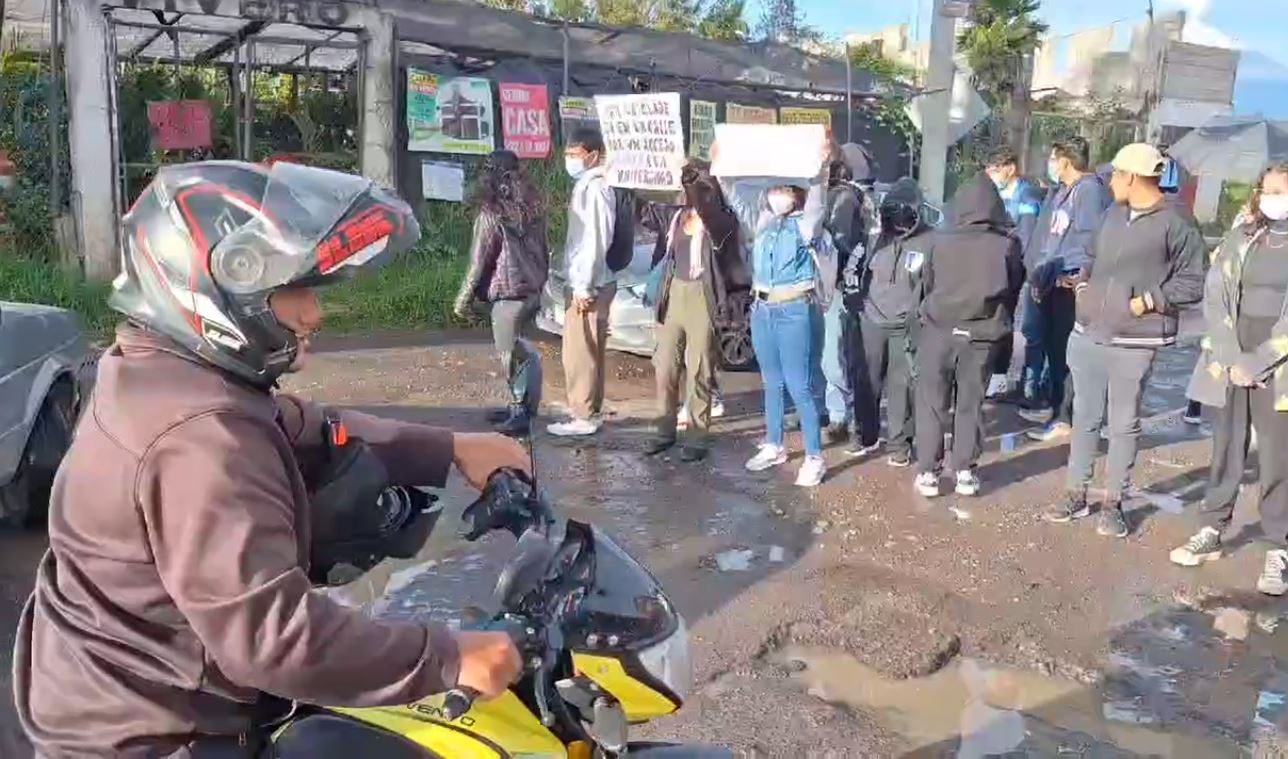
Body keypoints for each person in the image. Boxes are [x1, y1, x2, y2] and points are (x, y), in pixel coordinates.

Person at [12, 162, 526, 757]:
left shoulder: (158, 368)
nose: (314, 313)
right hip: (153, 735)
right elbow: (273, 639)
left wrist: (451, 448)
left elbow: (303, 424)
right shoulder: (202, 441)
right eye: (293, 292)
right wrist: (448, 656)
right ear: (219, 292)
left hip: (111, 686)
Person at [1043, 144, 1206, 536]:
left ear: (1132, 177)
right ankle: (1075, 494)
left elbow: (1194, 280)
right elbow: (1092, 258)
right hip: (1087, 334)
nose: (1110, 180)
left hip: (1135, 341)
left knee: (1122, 424)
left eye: (1115, 174)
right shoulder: (1111, 215)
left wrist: (1145, 303)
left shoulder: (1177, 222)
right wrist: (1082, 285)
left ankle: (1113, 502)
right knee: (1084, 419)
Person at [1171, 162, 1288, 595]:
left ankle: (1279, 547)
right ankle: (1212, 528)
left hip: (1276, 365)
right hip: (1231, 359)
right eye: (1268, 189)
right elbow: (1215, 295)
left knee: (1278, 458)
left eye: (1282, 191)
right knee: (1226, 448)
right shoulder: (1243, 236)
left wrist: (1256, 362)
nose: (1274, 198)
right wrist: (1230, 355)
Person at [719, 144, 832, 488]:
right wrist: (721, 166)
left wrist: (822, 167)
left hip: (793, 309)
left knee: (799, 385)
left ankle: (814, 456)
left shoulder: (805, 226)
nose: (776, 195)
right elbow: (735, 198)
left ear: (796, 194)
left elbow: (817, 202)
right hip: (762, 309)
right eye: (773, 189)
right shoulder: (762, 225)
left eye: (784, 189)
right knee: (771, 383)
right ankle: (774, 444)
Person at [913, 172, 1024, 497]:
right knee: (970, 404)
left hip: (939, 330)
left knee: (932, 403)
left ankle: (928, 473)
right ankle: (964, 470)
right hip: (982, 335)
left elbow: (926, 283)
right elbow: (1013, 289)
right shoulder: (1007, 245)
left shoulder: (937, 240)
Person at [641, 160, 746, 461]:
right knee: (665, 365)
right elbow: (642, 211)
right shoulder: (675, 216)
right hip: (674, 292)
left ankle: (697, 436)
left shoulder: (720, 220)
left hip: (703, 294)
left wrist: (697, 183)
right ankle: (664, 430)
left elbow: (711, 215)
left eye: (693, 183)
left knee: (699, 368)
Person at [1021, 137, 1112, 442]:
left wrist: (1078, 276)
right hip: (1052, 280)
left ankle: (1066, 416)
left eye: (1053, 157)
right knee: (1054, 350)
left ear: (1066, 160)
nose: (1050, 163)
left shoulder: (1088, 191)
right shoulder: (1064, 191)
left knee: (1068, 353)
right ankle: (1054, 406)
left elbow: (1090, 240)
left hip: (1069, 284)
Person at [455, 150, 548, 436]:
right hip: (533, 288)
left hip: (508, 293)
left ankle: (520, 413)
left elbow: (479, 261)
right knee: (524, 351)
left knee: (511, 354)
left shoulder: (490, 213)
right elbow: (544, 250)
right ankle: (523, 407)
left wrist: (463, 301)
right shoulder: (534, 206)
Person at [849, 177, 932, 466]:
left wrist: (921, 315)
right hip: (871, 319)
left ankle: (899, 445)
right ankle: (866, 436)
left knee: (902, 388)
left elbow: (935, 284)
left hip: (906, 326)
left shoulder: (929, 242)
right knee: (866, 382)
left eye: (904, 214)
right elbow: (853, 271)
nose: (898, 221)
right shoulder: (873, 238)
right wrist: (855, 301)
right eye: (892, 214)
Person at [547, 128, 619, 438]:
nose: (571, 160)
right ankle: (590, 408)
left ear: (592, 155)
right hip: (591, 281)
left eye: (575, 154)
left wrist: (583, 285)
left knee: (580, 352)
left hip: (591, 283)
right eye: (569, 154)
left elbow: (595, 240)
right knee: (587, 349)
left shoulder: (596, 187)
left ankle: (583, 414)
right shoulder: (590, 184)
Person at [983, 146, 1042, 398]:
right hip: (989, 265)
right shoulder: (990, 192)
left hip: (1013, 268)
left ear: (1010, 168)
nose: (991, 174)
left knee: (1007, 322)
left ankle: (1007, 380)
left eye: (995, 169)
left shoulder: (1026, 195)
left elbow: (1026, 236)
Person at [818, 147, 869, 441]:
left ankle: (840, 417)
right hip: (829, 284)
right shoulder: (837, 196)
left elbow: (839, 244)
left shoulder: (845, 199)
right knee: (825, 354)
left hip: (835, 286)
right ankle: (831, 410)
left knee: (831, 357)